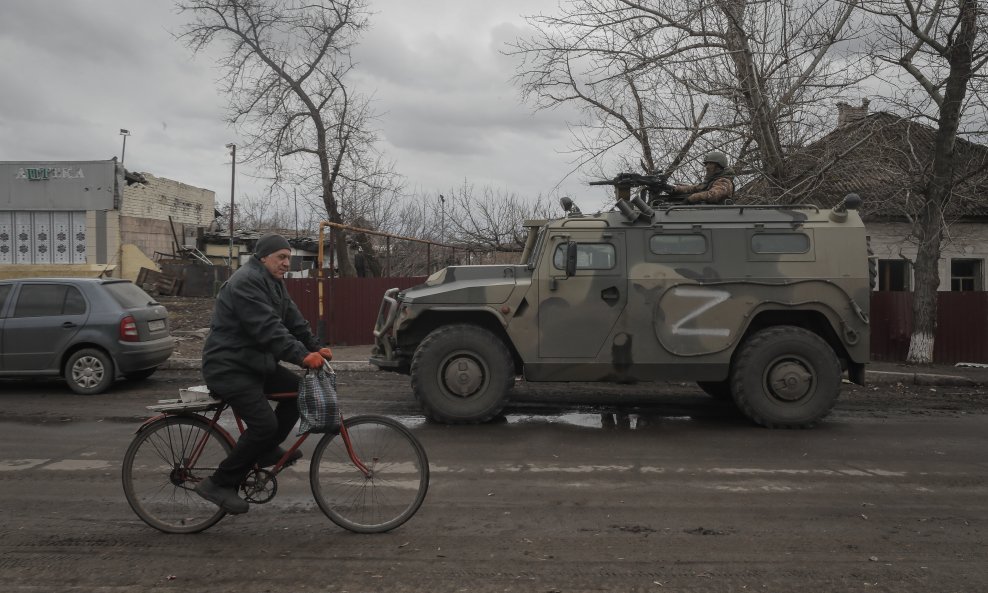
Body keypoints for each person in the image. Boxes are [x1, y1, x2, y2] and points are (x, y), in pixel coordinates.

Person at [195, 233, 333, 514]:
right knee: (264, 425)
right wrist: (302, 356)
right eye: (281, 257)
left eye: (288, 258)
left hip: (254, 363)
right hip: (229, 366)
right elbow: (267, 328)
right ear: (263, 257)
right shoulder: (246, 282)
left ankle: (266, 450)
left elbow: (294, 320)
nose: (286, 263)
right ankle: (219, 483)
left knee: (299, 393)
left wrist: (317, 347)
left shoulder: (274, 282)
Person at [665, 150, 736, 204]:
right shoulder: (711, 181)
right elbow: (694, 188)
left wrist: (694, 197)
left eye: (710, 164)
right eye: (706, 164)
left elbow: (714, 195)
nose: (707, 167)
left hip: (716, 215)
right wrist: (674, 189)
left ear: (719, 166)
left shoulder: (724, 181)